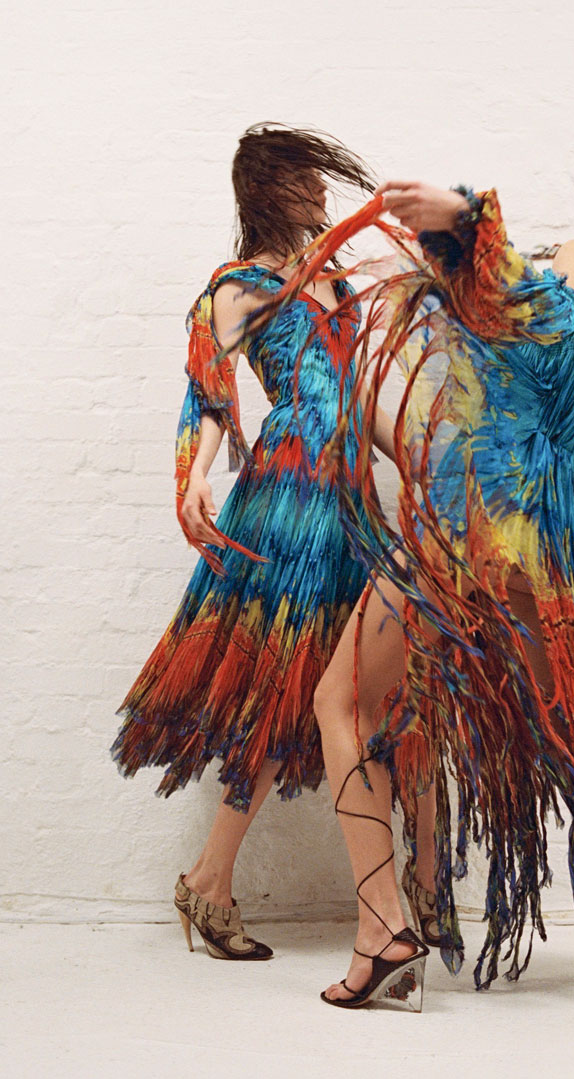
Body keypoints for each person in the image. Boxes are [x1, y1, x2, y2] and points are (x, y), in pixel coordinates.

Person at [268, 112, 574, 1007]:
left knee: (343, 702)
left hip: (471, 531)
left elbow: (516, 292)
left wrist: (464, 214)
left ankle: (382, 932)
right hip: (553, 554)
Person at [112, 123, 418, 961]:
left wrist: (419, 466)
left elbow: (362, 397)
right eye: (306, 180)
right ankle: (222, 882)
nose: (321, 192)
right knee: (288, 684)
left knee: (358, 690)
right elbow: (210, 392)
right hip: (289, 493)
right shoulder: (238, 285)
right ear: (269, 190)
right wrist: (194, 476)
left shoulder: (336, 280)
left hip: (348, 499)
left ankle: (221, 881)